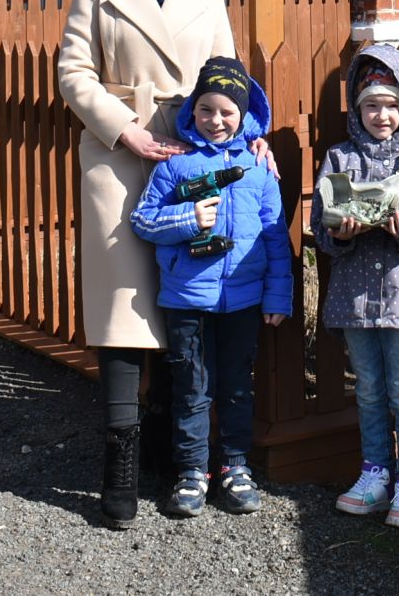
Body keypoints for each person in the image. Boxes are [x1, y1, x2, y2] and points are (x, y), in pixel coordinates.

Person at [55, 0, 269, 529]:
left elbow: (229, 76)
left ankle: (177, 455)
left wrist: (251, 138)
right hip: (122, 159)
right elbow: (72, 74)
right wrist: (125, 128)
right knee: (123, 311)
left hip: (197, 157)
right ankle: (119, 466)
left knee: (187, 300)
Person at [131, 56, 292, 518]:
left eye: (226, 112)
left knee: (238, 387)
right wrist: (186, 220)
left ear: (244, 114)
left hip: (244, 299)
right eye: (206, 110)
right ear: (192, 112)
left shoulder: (260, 168)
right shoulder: (176, 166)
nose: (216, 120)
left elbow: (275, 236)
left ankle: (235, 467)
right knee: (193, 387)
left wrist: (278, 296)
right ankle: (191, 472)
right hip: (188, 299)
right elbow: (143, 220)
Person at [312, 45, 399, 531]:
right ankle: (374, 472)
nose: (381, 115)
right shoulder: (340, 157)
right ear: (356, 107)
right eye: (371, 105)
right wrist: (339, 231)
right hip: (355, 296)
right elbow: (321, 225)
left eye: (391, 105)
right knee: (367, 390)